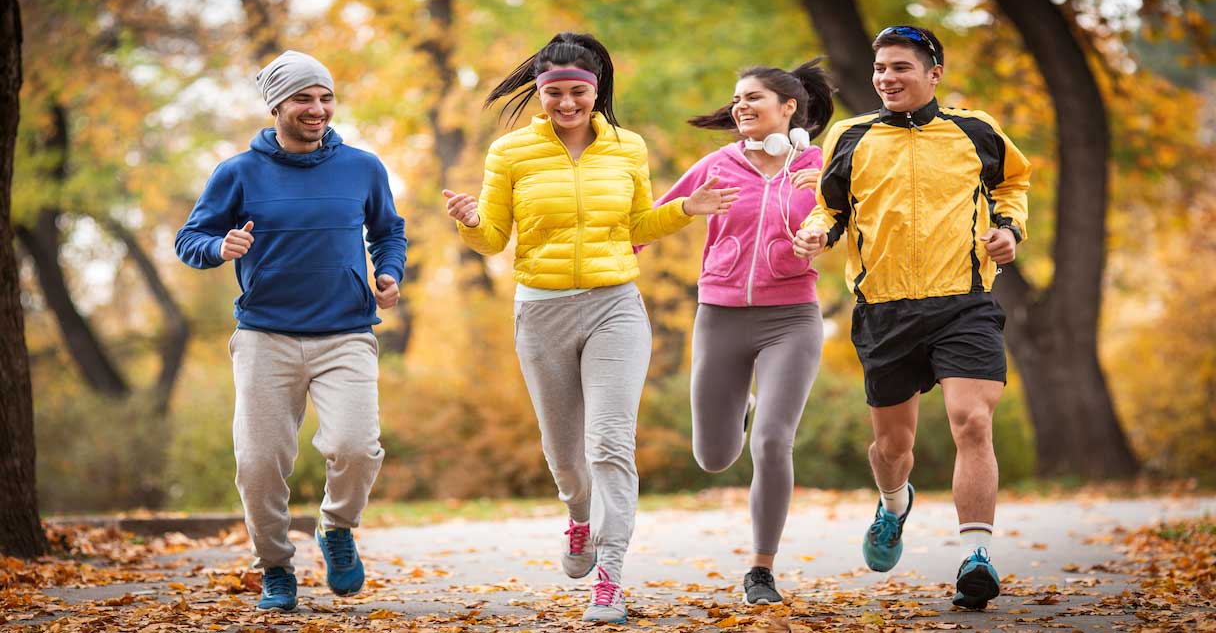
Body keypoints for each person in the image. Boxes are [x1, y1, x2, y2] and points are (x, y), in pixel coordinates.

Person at [442, 32, 738, 624]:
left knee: (609, 442)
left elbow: (638, 225)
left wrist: (687, 209)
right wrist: (472, 223)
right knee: (565, 455)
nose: (567, 104)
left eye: (579, 92)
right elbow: (495, 241)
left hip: (615, 307)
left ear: (596, 91)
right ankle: (580, 518)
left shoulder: (628, 147)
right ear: (539, 92)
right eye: (554, 93)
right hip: (542, 310)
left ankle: (611, 577)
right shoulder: (511, 154)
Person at [794, 25, 1030, 611]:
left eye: (900, 67)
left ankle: (977, 554)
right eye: (880, 69)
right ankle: (894, 503)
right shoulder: (851, 136)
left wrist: (1008, 231)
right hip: (886, 309)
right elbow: (831, 205)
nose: (886, 78)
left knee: (971, 420)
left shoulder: (976, 131)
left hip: (964, 301)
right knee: (891, 449)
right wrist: (818, 230)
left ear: (933, 74)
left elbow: (1012, 185)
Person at [175, 50, 406, 612]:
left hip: (345, 332)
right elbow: (189, 239)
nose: (318, 108)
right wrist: (218, 247)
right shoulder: (237, 173)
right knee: (258, 464)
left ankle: (337, 528)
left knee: (356, 446)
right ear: (276, 104)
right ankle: (276, 566)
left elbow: (389, 232)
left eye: (325, 97)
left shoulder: (362, 167)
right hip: (265, 337)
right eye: (304, 98)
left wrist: (388, 273)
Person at [646, 60, 833, 605]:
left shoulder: (821, 167)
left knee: (773, 441)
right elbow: (652, 220)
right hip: (720, 316)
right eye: (736, 99)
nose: (740, 107)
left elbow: (852, 221)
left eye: (753, 97)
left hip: (792, 318)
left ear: (789, 107)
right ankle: (743, 405)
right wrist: (600, 266)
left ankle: (761, 568)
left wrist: (823, 232)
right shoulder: (718, 164)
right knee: (714, 457)